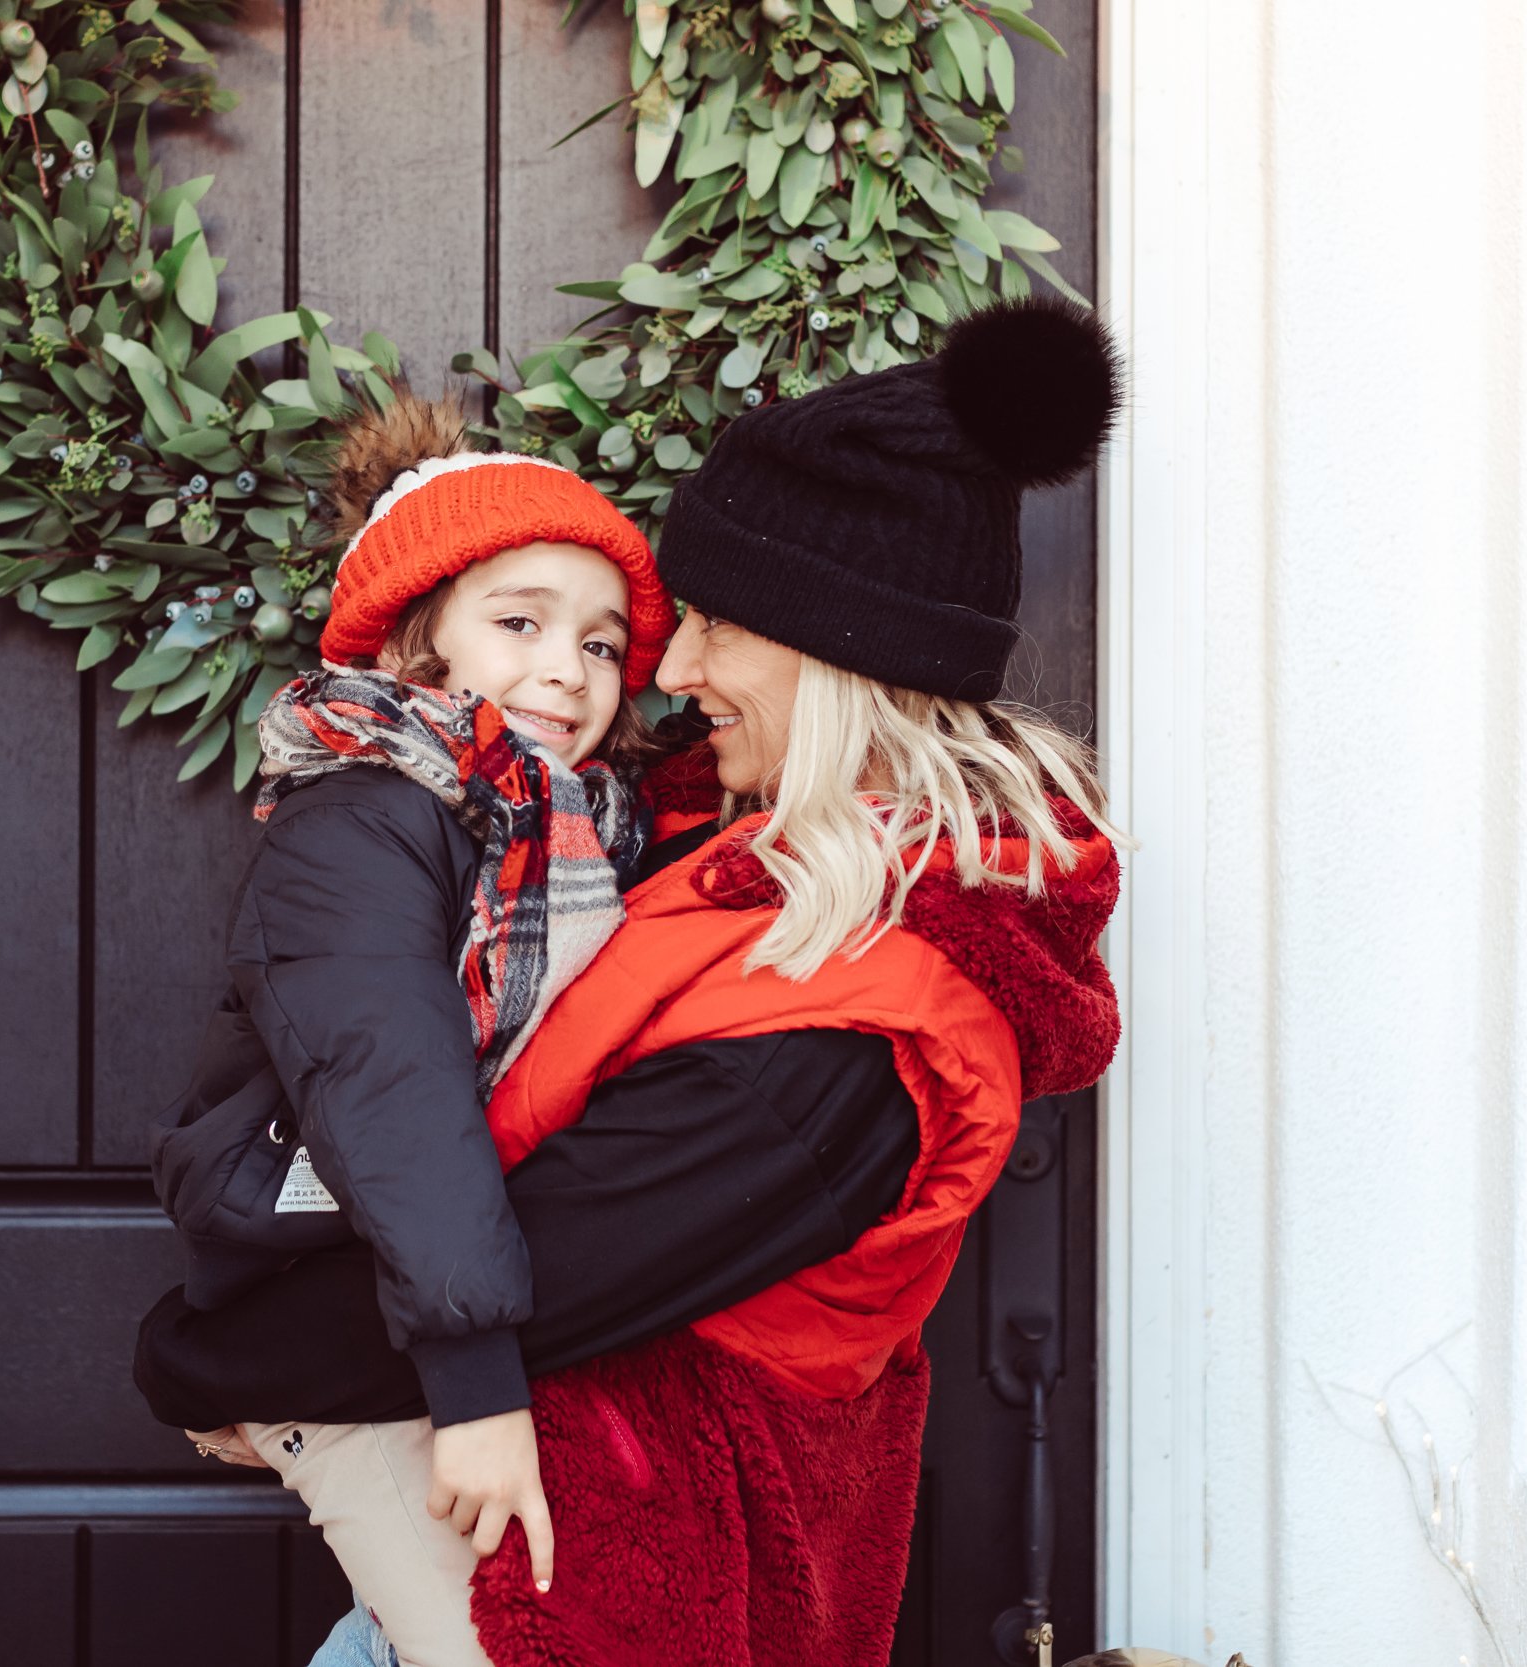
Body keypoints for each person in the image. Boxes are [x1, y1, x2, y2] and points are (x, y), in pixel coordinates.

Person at [139, 296, 1127, 1667]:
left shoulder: (858, 1032)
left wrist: (206, 1355)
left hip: (634, 1574)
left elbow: (563, 1261)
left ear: (841, 658)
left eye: (715, 622)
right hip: (538, 1518)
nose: (671, 665)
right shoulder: (672, 845)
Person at [145, 394, 683, 1667]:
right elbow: (391, 1086)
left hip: (448, 1312)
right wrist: (477, 1385)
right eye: (520, 623)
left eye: (604, 643)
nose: (570, 667)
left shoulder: (583, 833)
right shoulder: (365, 817)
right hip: (330, 1331)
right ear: (411, 649)